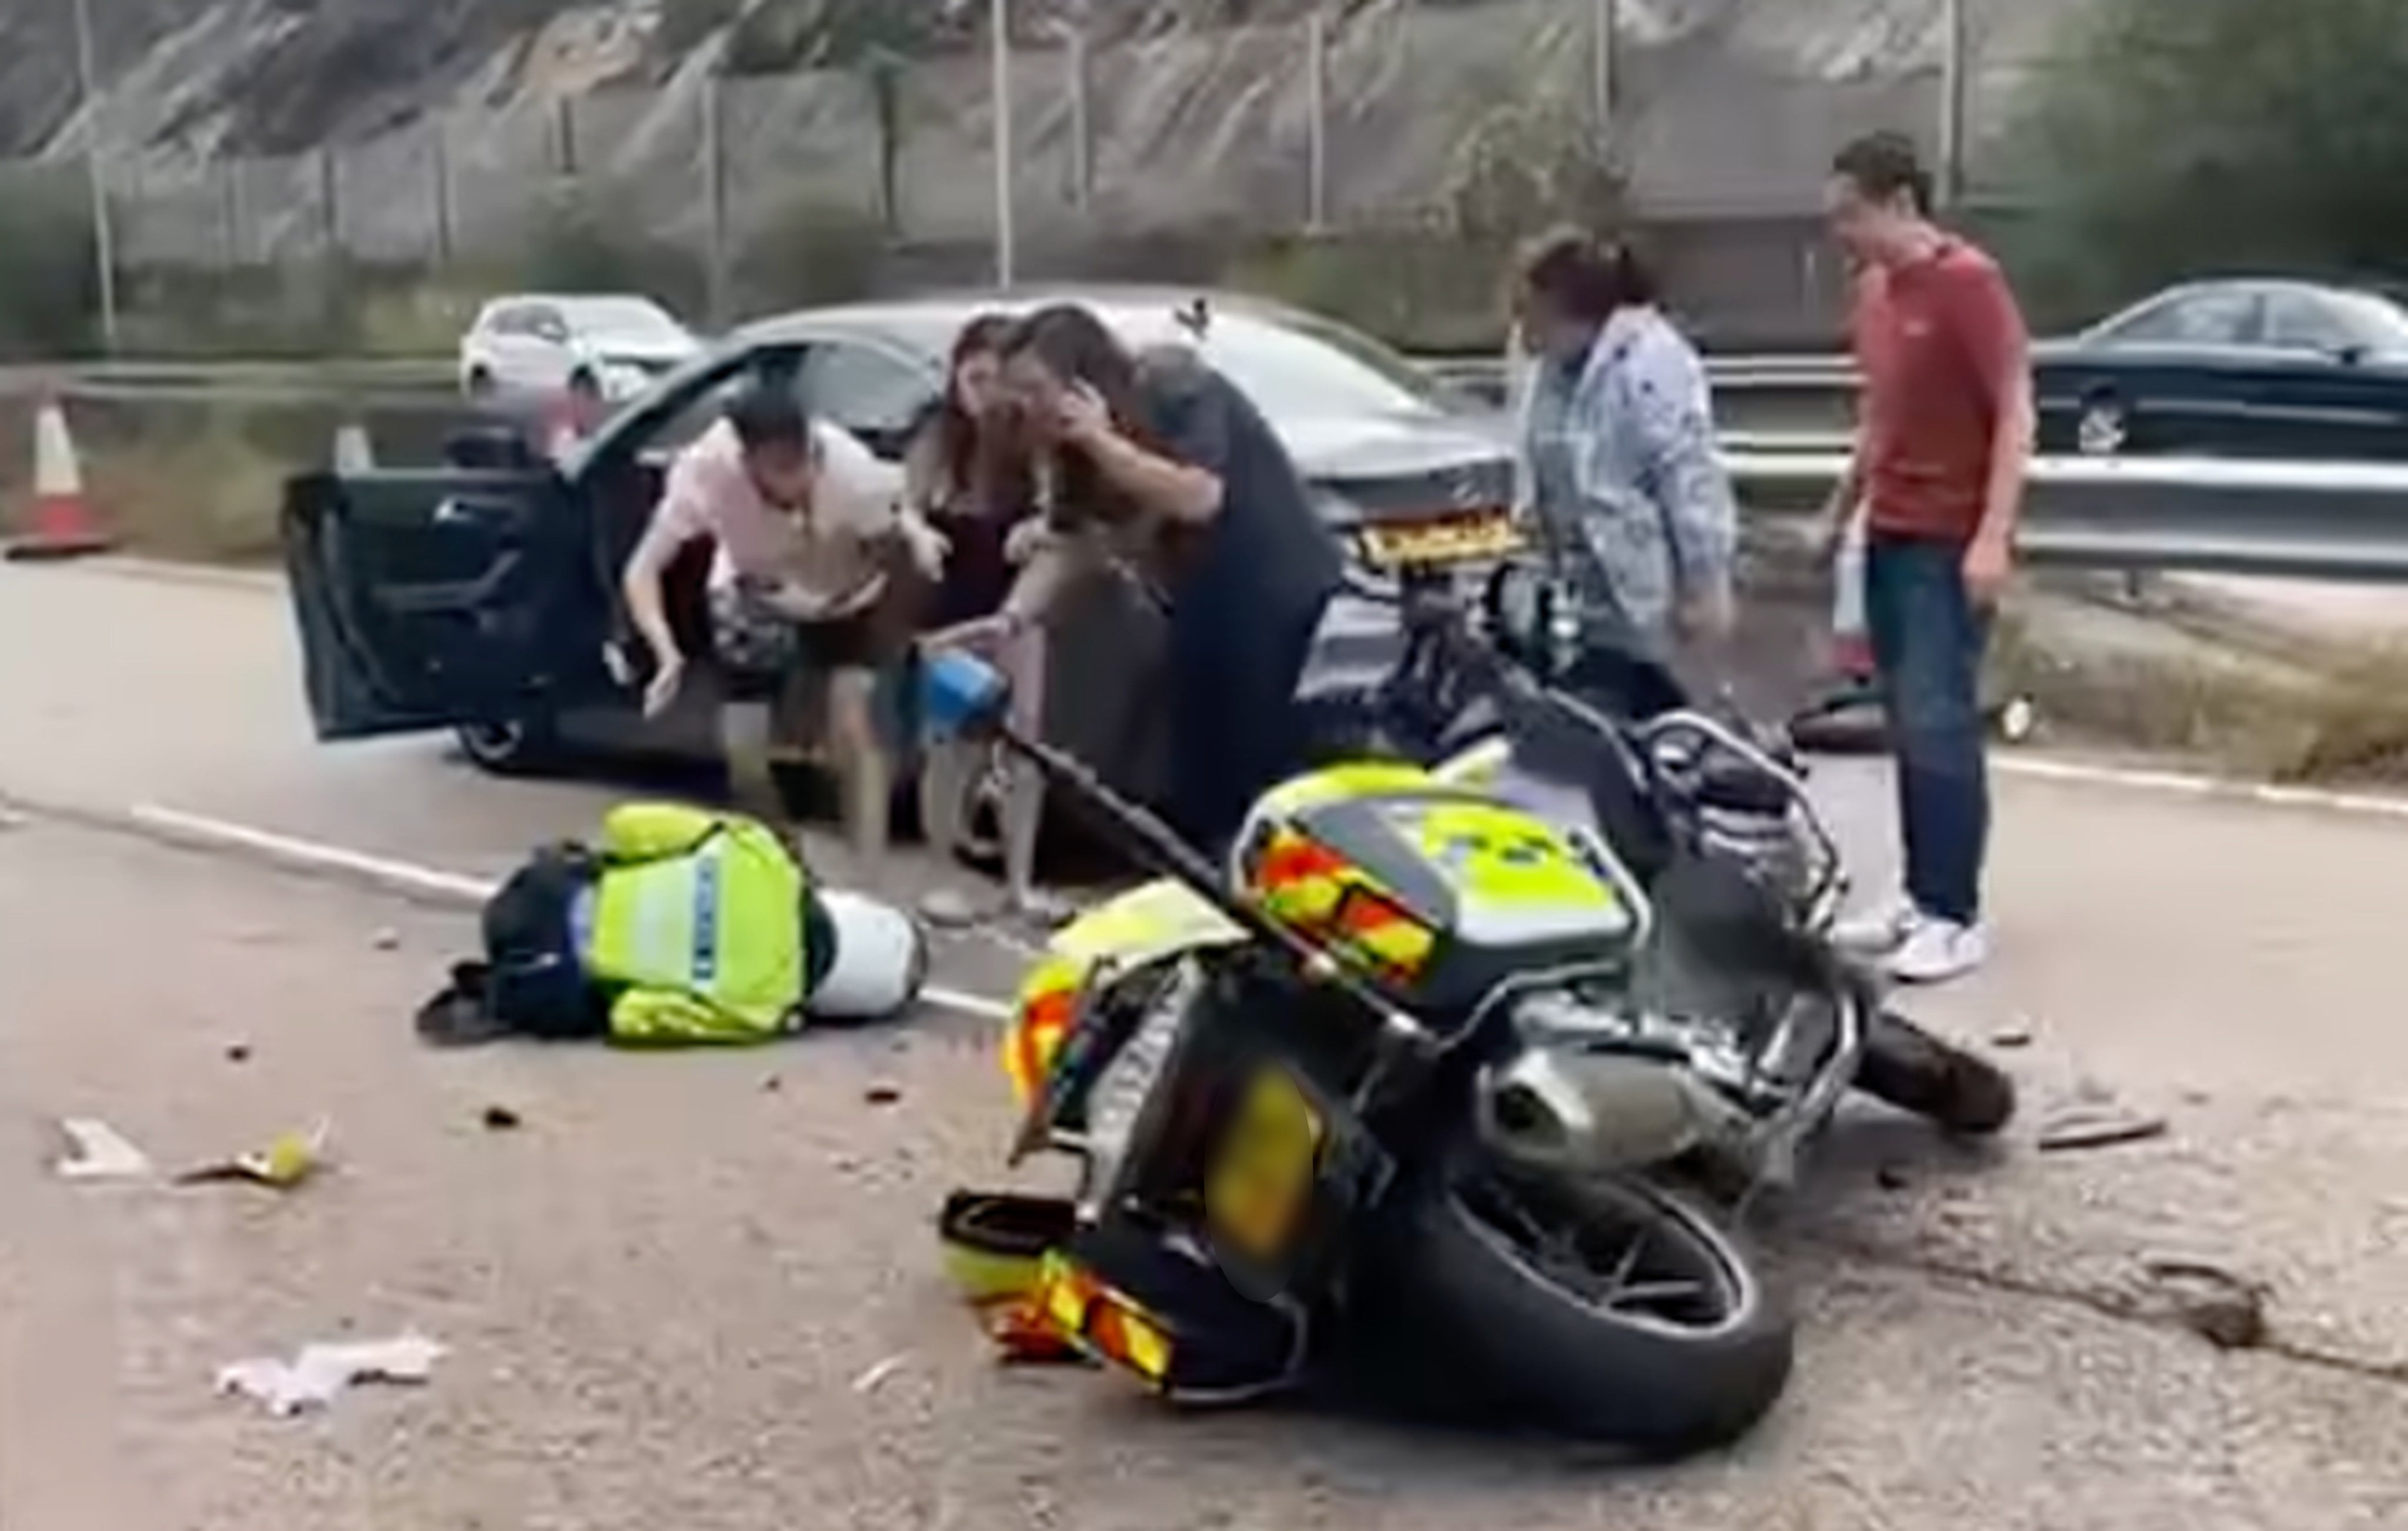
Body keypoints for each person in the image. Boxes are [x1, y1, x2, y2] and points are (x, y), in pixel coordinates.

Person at [991, 303, 1344, 855]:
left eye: (1036, 388)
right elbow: (1082, 541)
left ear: (1082, 381)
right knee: (1195, 759)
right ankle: (1204, 863)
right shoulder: (1065, 447)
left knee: (1249, 751)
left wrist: (1101, 441)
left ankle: (1255, 868)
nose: (1025, 404)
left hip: (1268, 581)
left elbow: (1200, 498)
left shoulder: (1177, 387)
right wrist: (1011, 619)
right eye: (1017, 391)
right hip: (1194, 593)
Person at [1818, 130, 2032, 984]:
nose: (1841, 232)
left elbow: (2014, 408)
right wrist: (1839, 513)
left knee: (1940, 720)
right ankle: (1917, 894)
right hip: (1891, 529)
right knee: (1904, 721)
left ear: (1900, 202)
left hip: (1950, 537)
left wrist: (1993, 535)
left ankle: (1955, 914)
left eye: (1852, 214)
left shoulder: (1969, 283)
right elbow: (1879, 416)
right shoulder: (1873, 293)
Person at [618, 382, 946, 885]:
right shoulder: (707, 471)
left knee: (851, 726)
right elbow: (642, 570)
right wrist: (667, 654)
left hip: (848, 593)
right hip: (757, 591)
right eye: (778, 468)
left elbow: (898, 535)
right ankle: (786, 866)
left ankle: (868, 880)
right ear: (747, 460)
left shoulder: (852, 474)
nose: (796, 480)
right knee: (744, 749)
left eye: (802, 462)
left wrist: (912, 550)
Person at [1510, 229, 1738, 712]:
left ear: (1564, 307)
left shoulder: (1649, 361)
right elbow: (1536, 451)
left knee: (1649, 712)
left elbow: (1687, 475)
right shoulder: (1548, 367)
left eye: (1532, 310)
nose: (1523, 326)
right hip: (1577, 596)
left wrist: (1704, 583)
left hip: (1645, 595)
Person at [904, 314, 1071, 926]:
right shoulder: (936, 437)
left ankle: (1020, 883)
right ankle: (942, 876)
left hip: (1016, 606)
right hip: (950, 606)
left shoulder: (1032, 443)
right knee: (950, 744)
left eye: (997, 380)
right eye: (973, 379)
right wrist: (918, 534)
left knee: (1025, 743)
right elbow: (906, 505)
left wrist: (1039, 527)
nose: (985, 394)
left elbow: (1062, 510)